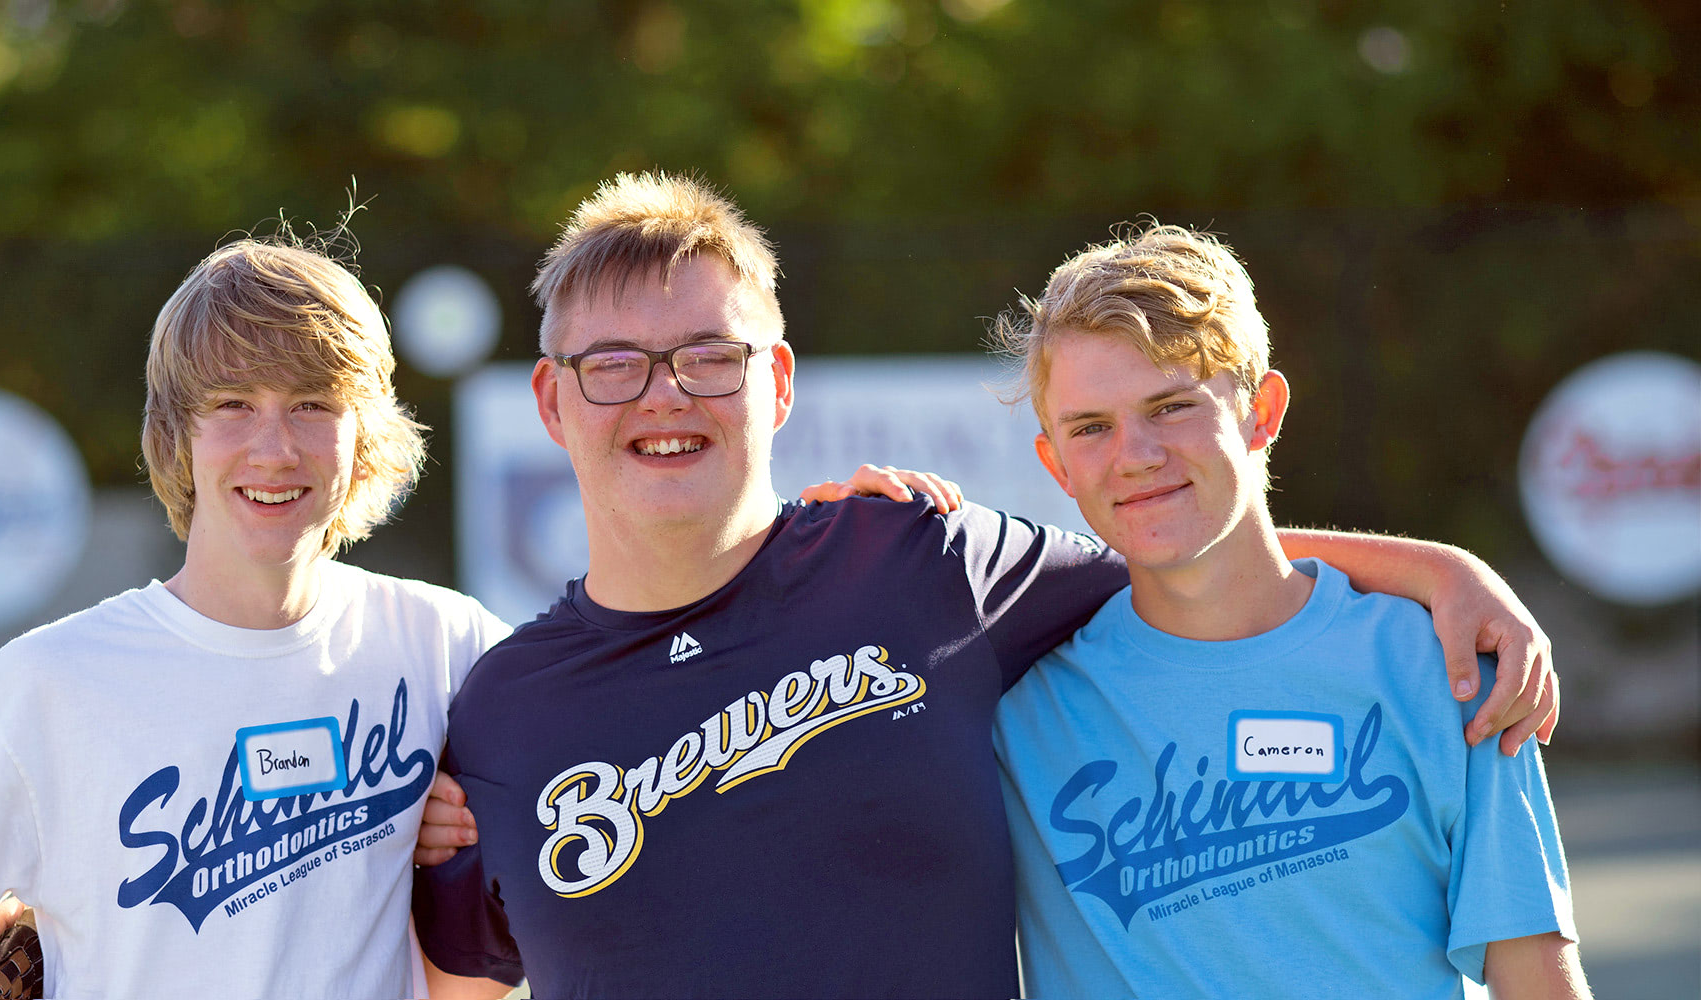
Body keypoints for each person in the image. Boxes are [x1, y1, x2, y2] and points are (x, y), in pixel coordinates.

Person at [412, 173, 1559, 998]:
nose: (664, 394)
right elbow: (458, 976)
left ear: (776, 382)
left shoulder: (922, 563)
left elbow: (1185, 550)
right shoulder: (503, 709)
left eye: (708, 355)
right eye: (612, 365)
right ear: (552, 402)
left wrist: (1439, 571)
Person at [0, 237, 514, 999]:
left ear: (364, 435)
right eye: (232, 405)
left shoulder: (448, 646)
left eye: (312, 405)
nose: (274, 447)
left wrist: (465, 828)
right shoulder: (47, 685)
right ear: (176, 435)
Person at [990, 223, 1587, 997]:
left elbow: (1535, 976)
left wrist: (1447, 571)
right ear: (1056, 464)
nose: (1134, 454)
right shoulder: (1015, 708)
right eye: (1092, 428)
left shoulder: (1441, 667)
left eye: (1171, 406)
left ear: (1261, 412)